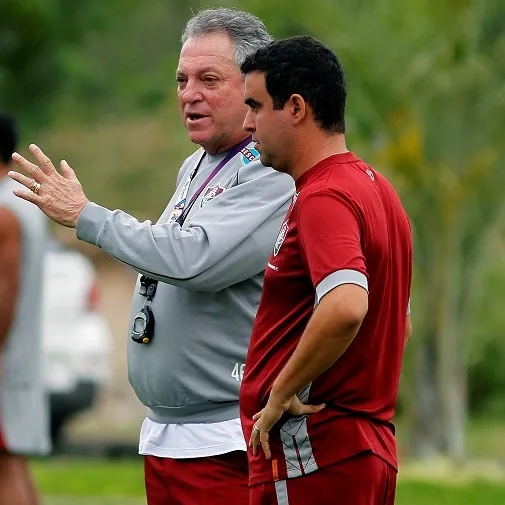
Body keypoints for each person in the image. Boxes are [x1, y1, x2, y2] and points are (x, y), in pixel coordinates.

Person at [8, 8, 294, 505]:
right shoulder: (199, 163)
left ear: (253, 85)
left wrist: (87, 217)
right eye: (182, 80)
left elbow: (192, 260)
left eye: (209, 79)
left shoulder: (268, 173)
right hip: (172, 433)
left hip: (224, 436)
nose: (189, 94)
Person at [239, 36, 413, 505]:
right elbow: (401, 322)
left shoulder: (324, 197)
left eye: (255, 106)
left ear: (295, 107)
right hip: (361, 453)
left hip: (315, 454)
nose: (246, 123)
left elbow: (346, 307)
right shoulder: (379, 191)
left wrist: (280, 391)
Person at [0, 112, 50, 505]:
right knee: (11, 462)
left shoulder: (3, 210)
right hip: (20, 355)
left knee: (6, 463)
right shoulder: (22, 200)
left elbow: (4, 291)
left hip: (5, 359)